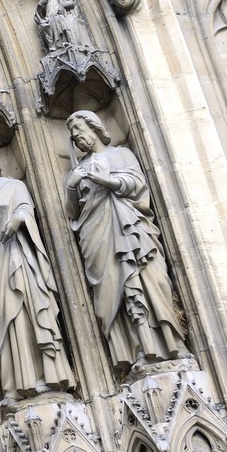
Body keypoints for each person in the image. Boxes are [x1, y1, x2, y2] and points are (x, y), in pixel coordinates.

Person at [64, 111, 186, 370]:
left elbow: (137, 184)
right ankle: (138, 350)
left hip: (131, 229)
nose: (76, 135)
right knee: (115, 289)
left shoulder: (121, 154)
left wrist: (108, 181)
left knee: (150, 281)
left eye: (79, 128)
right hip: (98, 236)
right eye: (72, 132)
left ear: (95, 127)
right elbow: (72, 212)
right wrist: (72, 187)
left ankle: (170, 343)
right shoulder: (78, 170)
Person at [0, 142, 75, 402]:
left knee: (26, 313)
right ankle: (12, 388)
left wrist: (18, 218)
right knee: (0, 321)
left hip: (17, 259)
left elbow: (25, 208)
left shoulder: (13, 186)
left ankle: (46, 377)